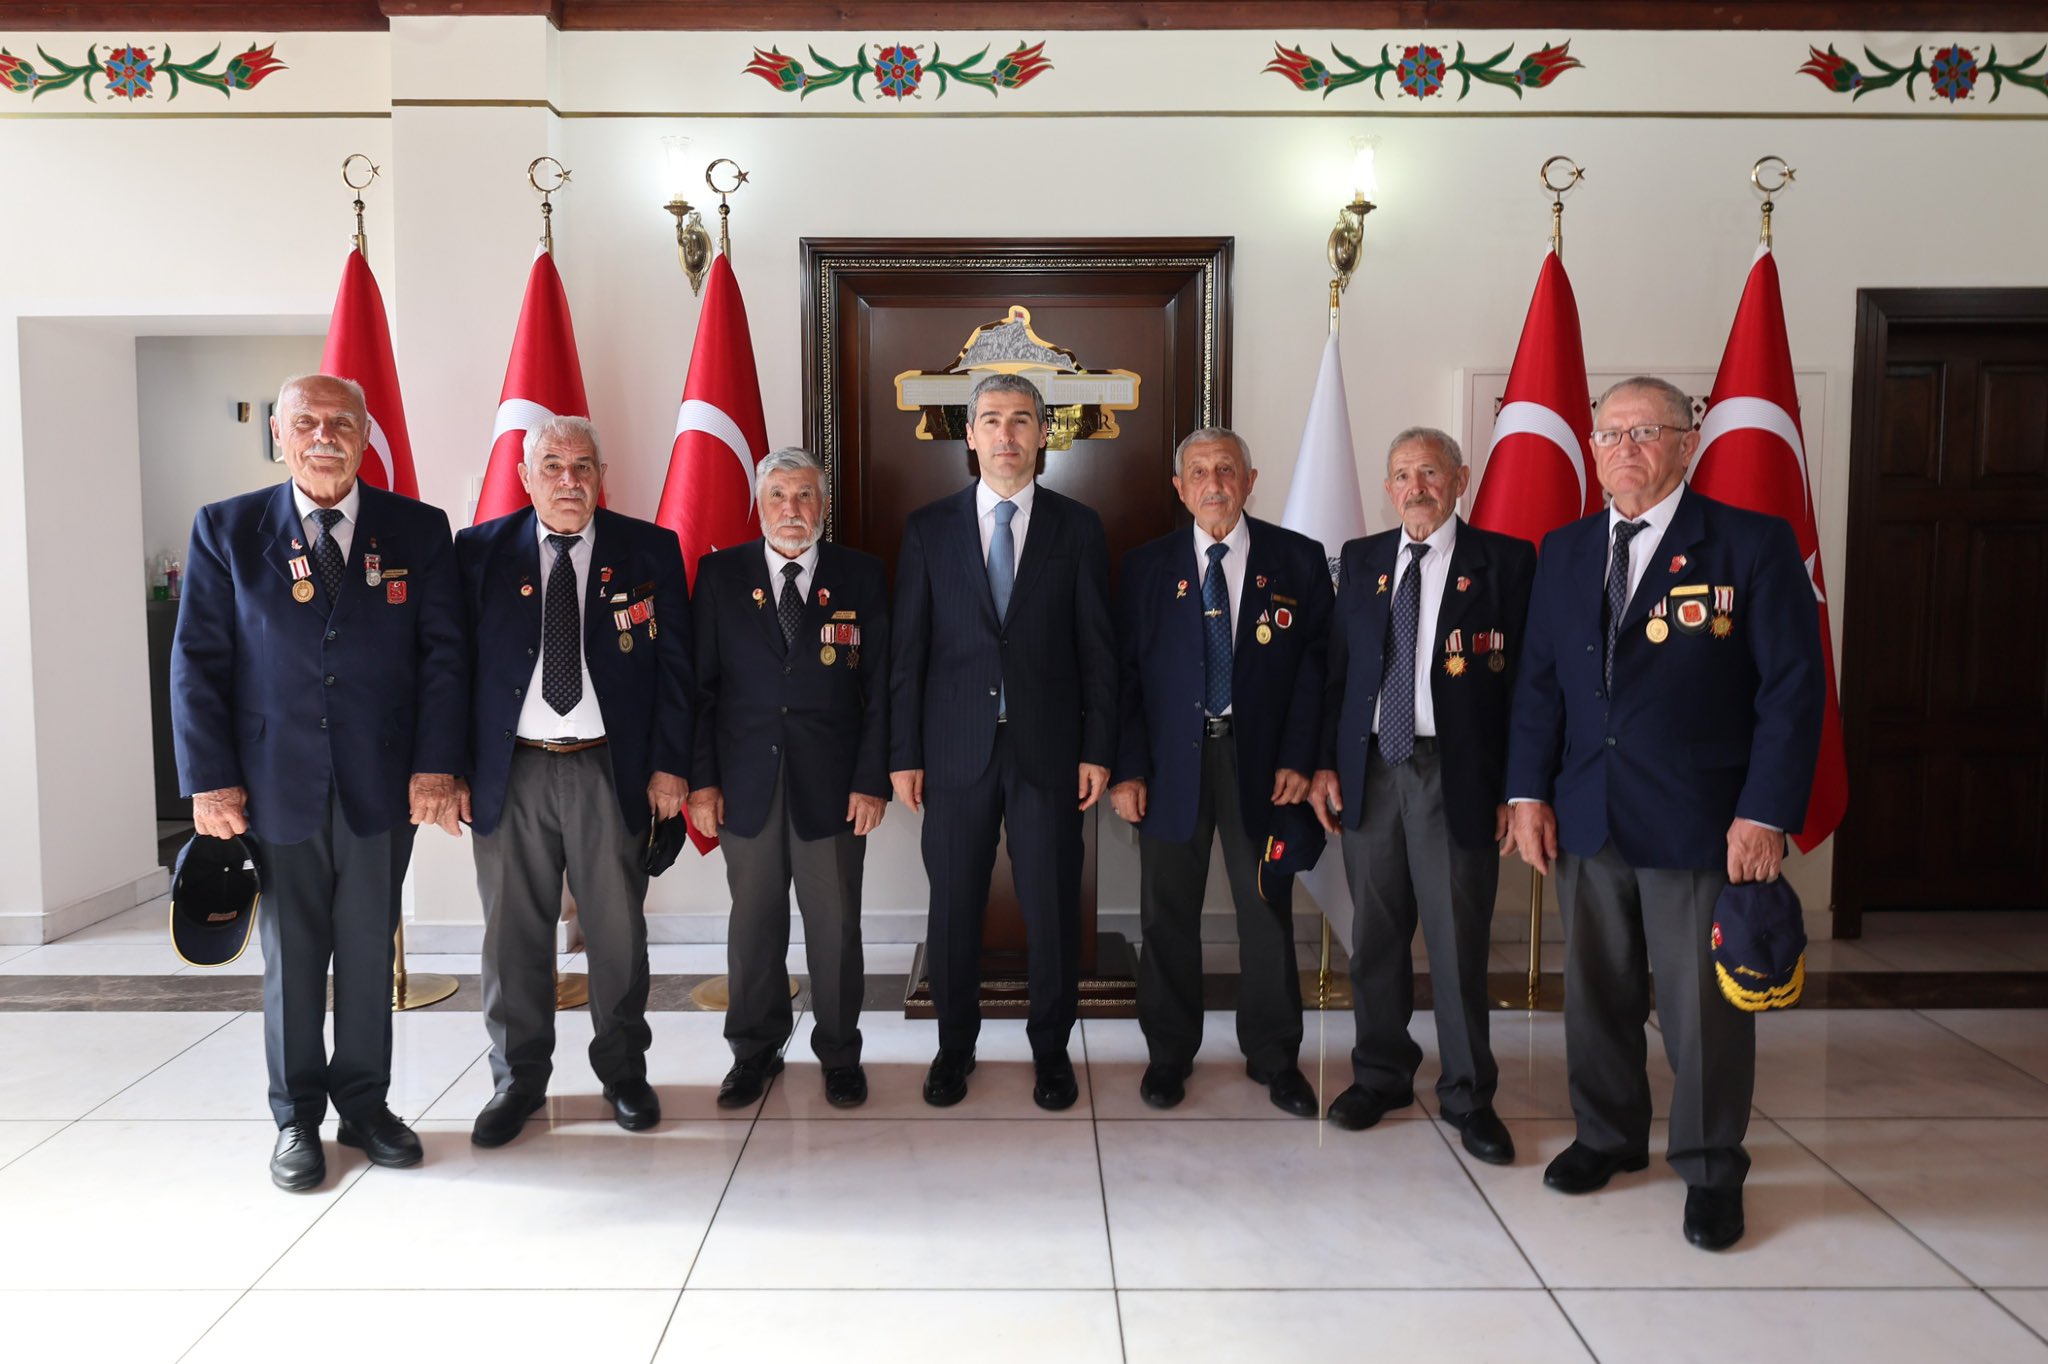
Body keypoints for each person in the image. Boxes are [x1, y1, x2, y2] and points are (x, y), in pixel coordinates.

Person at [1504, 376, 1822, 1251]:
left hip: (1701, 821)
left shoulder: (1751, 544)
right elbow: (1539, 687)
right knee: (1597, 997)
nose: (1625, 449)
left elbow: (1794, 694)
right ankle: (1608, 1137)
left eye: (1646, 431)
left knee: (1701, 1013)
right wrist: (1527, 794)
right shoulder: (1565, 549)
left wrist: (1764, 811)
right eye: (1609, 434)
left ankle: (1713, 1168)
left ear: (1689, 441)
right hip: (1588, 816)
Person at [172, 373, 466, 1192]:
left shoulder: (417, 528)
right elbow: (197, 665)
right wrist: (211, 782)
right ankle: (296, 1118)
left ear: (367, 434)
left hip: (384, 783)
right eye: (307, 421)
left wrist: (437, 765)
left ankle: (366, 1108)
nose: (325, 435)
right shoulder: (225, 531)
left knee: (370, 950)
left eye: (342, 422)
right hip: (275, 785)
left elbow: (444, 658)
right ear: (278, 434)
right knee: (294, 956)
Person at [454, 415, 693, 1148]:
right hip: (512, 770)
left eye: (582, 466)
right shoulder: (477, 554)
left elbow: (677, 673)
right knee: (513, 937)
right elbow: (449, 670)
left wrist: (670, 765)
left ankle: (623, 1072)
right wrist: (452, 770)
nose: (567, 479)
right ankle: (517, 1080)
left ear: (601, 476)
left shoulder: (649, 549)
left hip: (606, 767)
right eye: (551, 465)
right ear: (525, 477)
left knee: (617, 933)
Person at [889, 372, 1117, 1111]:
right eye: (991, 420)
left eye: (1022, 420)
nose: (1007, 435)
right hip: (953, 753)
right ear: (970, 435)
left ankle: (1052, 1051)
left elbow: (1097, 653)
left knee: (1052, 907)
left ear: (1042, 435)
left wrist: (1099, 747)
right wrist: (903, 754)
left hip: (1050, 752)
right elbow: (908, 656)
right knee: (954, 907)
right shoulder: (928, 530)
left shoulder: (1076, 527)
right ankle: (956, 1049)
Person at [1309, 427, 1534, 1160]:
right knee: (1374, 938)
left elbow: (1526, 688)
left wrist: (1514, 787)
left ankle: (1469, 1095)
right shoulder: (1363, 561)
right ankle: (1380, 1074)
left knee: (1456, 941)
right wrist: (1326, 764)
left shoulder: (1503, 562)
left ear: (1459, 479)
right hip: (1372, 771)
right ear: (1386, 487)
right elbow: (1334, 678)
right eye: (1402, 474)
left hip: (1456, 777)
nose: (1416, 487)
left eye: (1430, 472)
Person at [1109, 428, 1331, 1115]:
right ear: (1178, 487)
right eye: (1199, 472)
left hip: (1262, 767)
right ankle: (1169, 1056)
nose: (1214, 483)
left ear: (1250, 478)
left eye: (1227, 469)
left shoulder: (1296, 559)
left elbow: (1318, 672)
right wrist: (1128, 770)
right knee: (1166, 913)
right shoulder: (1145, 567)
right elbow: (1125, 680)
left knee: (1265, 908)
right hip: (1171, 767)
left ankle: (1274, 1057)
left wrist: (1300, 757)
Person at [689, 447, 890, 1110]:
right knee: (754, 926)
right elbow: (702, 690)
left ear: (823, 506)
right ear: (759, 503)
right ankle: (754, 1051)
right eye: (778, 496)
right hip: (744, 784)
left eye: (805, 496)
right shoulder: (720, 576)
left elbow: (881, 690)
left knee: (835, 929)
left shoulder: (860, 576)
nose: (792, 510)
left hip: (833, 788)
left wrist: (871, 780)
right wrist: (703, 781)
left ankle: (838, 1053)